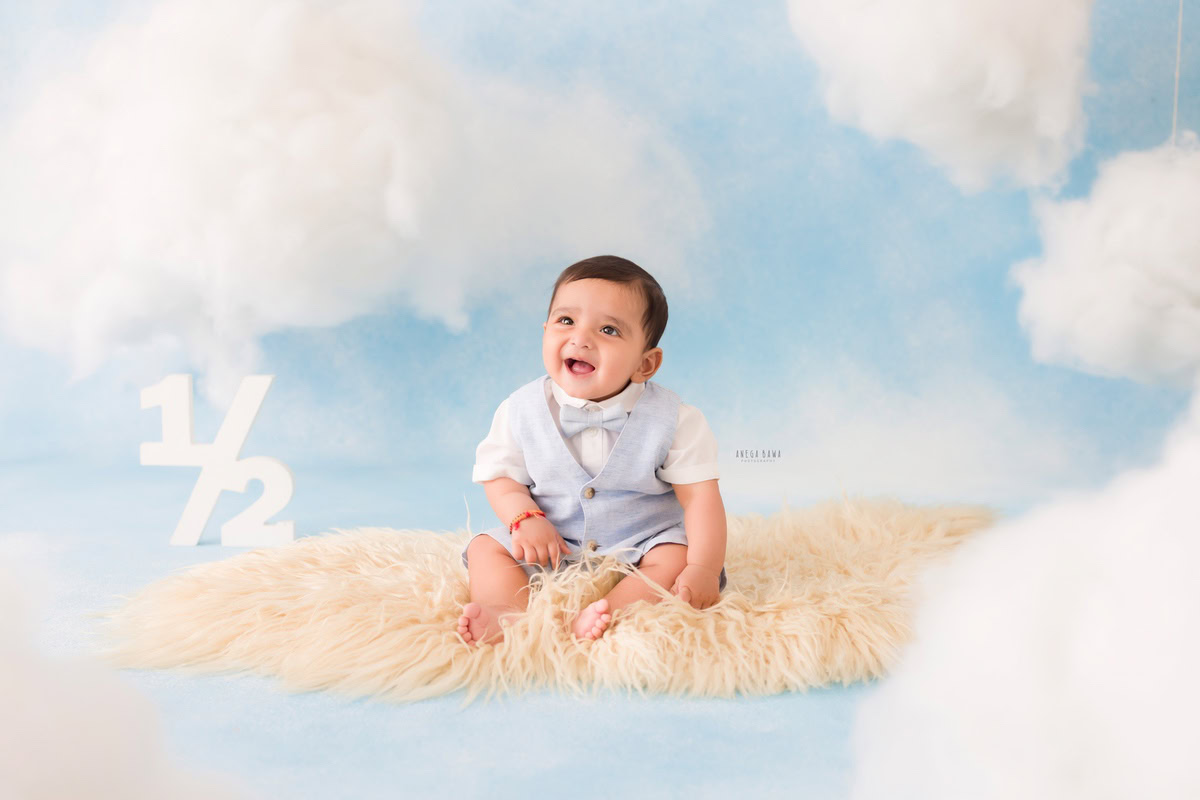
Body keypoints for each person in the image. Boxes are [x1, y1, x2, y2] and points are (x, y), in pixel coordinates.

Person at [456, 255, 728, 645]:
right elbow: (500, 477)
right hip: (553, 542)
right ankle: (505, 611)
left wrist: (703, 567)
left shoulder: (676, 419)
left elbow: (701, 497)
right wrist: (525, 518)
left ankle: (610, 612)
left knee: (676, 556)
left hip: (643, 542)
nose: (581, 338)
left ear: (646, 364)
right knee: (485, 548)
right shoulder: (520, 409)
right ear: (545, 330)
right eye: (566, 321)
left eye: (608, 330)